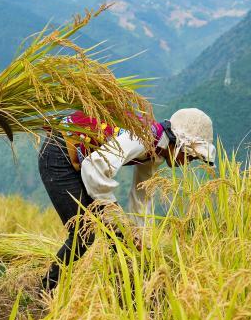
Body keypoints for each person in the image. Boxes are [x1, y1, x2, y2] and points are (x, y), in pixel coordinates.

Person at [38, 108, 217, 291]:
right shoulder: (145, 137)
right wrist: (114, 210)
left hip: (83, 162)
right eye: (190, 156)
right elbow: (95, 166)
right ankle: (45, 289)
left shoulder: (157, 152)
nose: (188, 162)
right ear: (179, 144)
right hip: (59, 154)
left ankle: (129, 292)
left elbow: (141, 196)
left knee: (122, 239)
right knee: (83, 235)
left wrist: (137, 235)